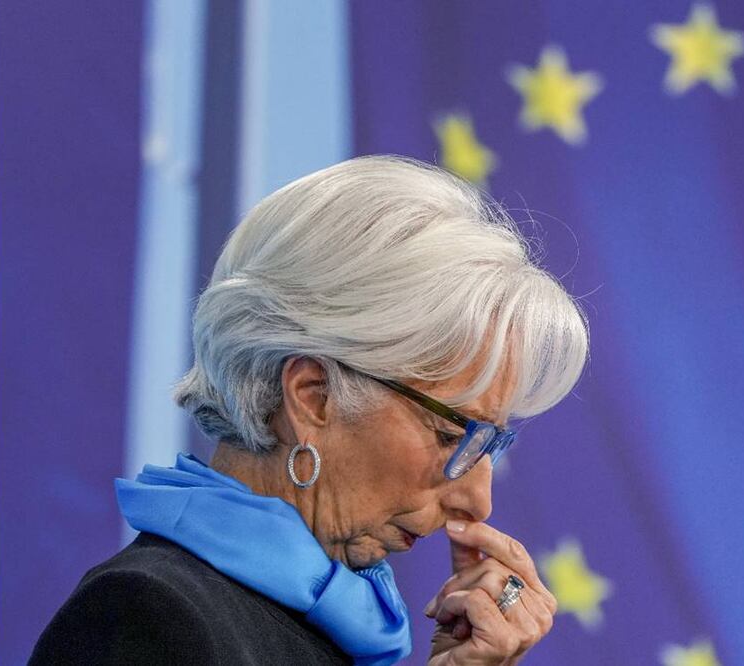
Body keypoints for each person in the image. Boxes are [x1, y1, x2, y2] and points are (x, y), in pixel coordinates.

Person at [31, 155, 588, 665]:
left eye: (489, 445)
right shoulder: (145, 619)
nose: (478, 500)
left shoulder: (335, 625)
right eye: (449, 435)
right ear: (311, 397)